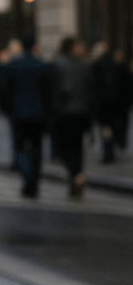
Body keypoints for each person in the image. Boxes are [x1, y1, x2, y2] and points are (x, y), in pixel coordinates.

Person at [3, 35, 53, 198]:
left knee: (20, 148)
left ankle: (27, 177)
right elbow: (49, 93)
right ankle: (34, 183)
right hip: (39, 115)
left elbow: (6, 92)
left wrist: (7, 110)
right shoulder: (43, 66)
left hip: (18, 115)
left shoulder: (12, 65)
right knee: (37, 149)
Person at [50, 37, 92, 198]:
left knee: (63, 149)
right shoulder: (84, 66)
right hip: (82, 114)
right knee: (77, 148)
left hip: (63, 114)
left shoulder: (56, 66)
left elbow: (53, 92)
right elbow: (91, 92)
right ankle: (77, 177)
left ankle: (75, 175)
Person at [92, 45, 133, 164]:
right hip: (117, 107)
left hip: (103, 108)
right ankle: (115, 146)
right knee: (116, 128)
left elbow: (93, 87)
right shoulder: (120, 67)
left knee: (106, 130)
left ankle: (108, 151)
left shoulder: (97, 67)